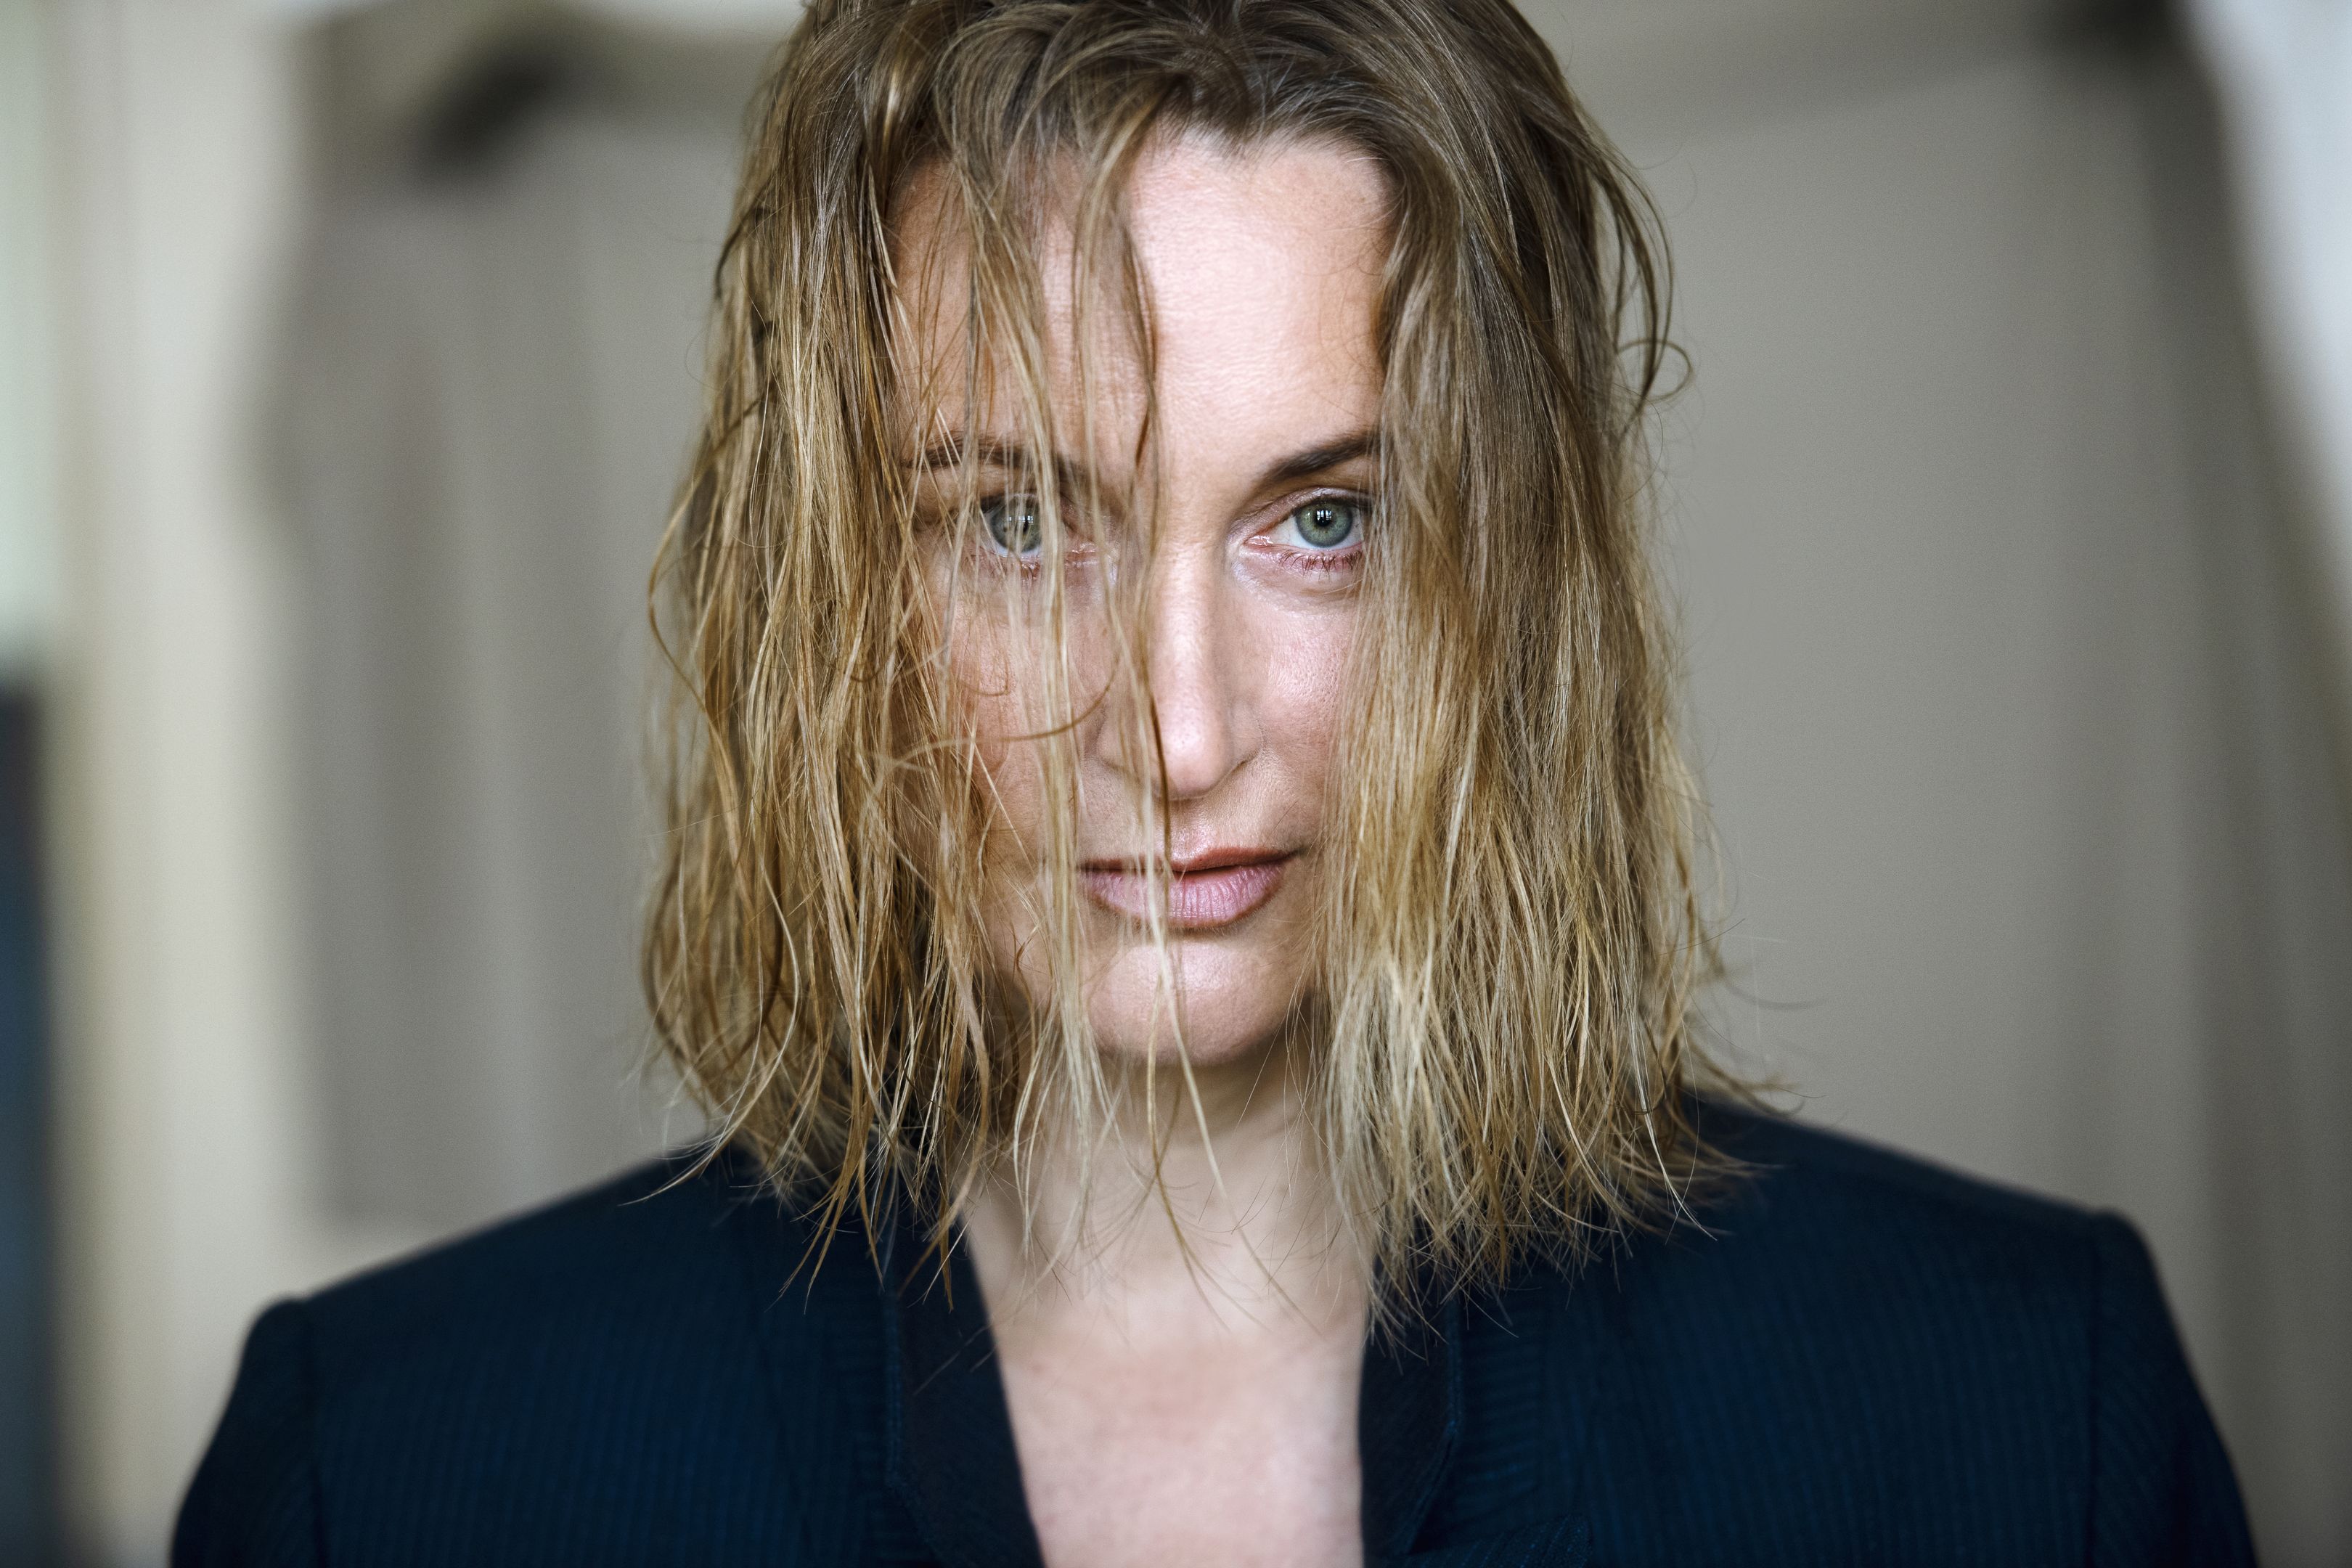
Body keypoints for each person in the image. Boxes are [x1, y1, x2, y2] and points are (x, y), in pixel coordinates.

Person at [173, 0, 2255, 1562]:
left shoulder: (2015, 1413)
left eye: (1323, 522)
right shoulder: (395, 1470)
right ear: (837, 588)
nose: (1176, 733)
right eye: (1018, 524)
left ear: (1513, 587)